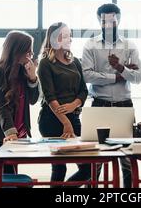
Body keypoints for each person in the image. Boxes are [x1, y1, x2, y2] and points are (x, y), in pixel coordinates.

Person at [82, 3, 141, 188]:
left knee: (128, 158)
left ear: (118, 20)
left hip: (124, 106)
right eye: (104, 21)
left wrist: (120, 67)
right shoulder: (90, 45)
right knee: (96, 159)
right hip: (100, 105)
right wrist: (118, 75)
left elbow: (138, 77)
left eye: (112, 21)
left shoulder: (130, 45)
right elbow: (87, 75)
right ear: (99, 22)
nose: (108, 25)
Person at [37, 22, 91, 186]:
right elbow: (50, 96)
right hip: (52, 120)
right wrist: (65, 122)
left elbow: (83, 91)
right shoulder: (45, 63)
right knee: (59, 168)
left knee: (88, 168)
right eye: (66, 36)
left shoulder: (75, 61)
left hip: (74, 118)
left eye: (70, 35)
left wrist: (74, 105)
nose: (70, 39)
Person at [0, 31, 39, 172]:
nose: (29, 56)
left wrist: (33, 77)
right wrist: (11, 133)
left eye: (31, 53)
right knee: (10, 178)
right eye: (28, 52)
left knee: (12, 177)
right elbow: (0, 106)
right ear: (16, 50)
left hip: (18, 135)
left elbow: (33, 100)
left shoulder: (24, 70)